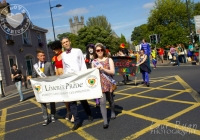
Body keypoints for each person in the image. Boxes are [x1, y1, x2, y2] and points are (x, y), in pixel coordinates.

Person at [61, 37, 93, 131]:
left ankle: (89, 114)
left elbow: (82, 64)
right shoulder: (63, 55)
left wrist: (84, 76)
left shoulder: (78, 51)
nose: (66, 43)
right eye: (64, 43)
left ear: (69, 42)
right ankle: (77, 121)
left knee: (83, 99)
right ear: (62, 45)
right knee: (72, 102)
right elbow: (64, 67)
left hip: (79, 78)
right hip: (70, 80)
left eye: (67, 41)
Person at [92, 43, 116, 129]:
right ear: (96, 51)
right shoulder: (94, 62)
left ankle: (113, 111)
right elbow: (92, 75)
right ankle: (105, 121)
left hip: (109, 82)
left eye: (101, 50)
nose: (100, 51)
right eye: (98, 50)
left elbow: (112, 72)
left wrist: (103, 69)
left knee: (110, 99)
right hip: (100, 84)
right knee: (102, 102)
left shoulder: (109, 60)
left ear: (103, 50)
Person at [50, 40, 74, 123]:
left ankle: (72, 114)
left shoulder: (64, 54)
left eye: (55, 48)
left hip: (66, 77)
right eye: (53, 49)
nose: (54, 50)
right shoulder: (55, 57)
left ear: (59, 47)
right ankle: (68, 111)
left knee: (70, 96)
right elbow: (56, 68)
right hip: (59, 78)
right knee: (64, 98)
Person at [31, 50, 56, 126]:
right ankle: (45, 118)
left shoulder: (48, 64)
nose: (43, 57)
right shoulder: (35, 66)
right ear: (38, 57)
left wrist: (50, 79)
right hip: (40, 87)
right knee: (42, 103)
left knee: (52, 101)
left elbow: (52, 74)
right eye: (41, 56)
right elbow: (34, 76)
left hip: (48, 86)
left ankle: (52, 115)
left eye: (43, 55)